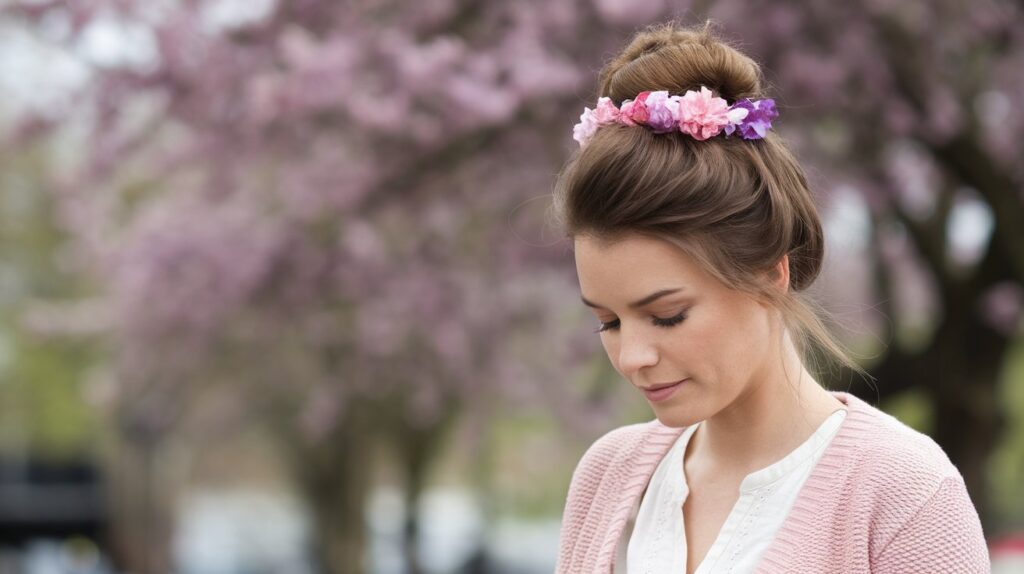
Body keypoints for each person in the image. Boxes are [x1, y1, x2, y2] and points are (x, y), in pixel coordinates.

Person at [551, 20, 990, 574]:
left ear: (769, 274)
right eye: (609, 322)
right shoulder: (607, 479)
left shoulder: (901, 492)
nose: (633, 357)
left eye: (667, 316)